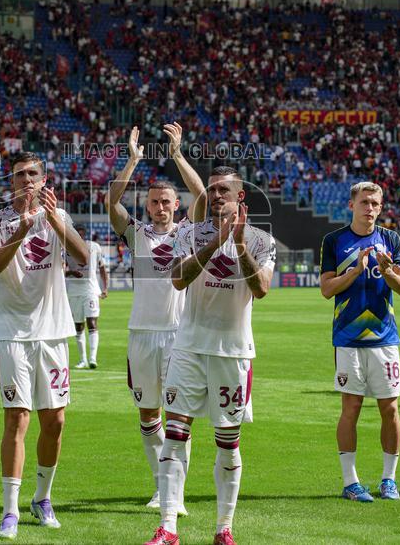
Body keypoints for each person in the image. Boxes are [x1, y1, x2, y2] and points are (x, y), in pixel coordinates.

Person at [144, 167, 274, 545]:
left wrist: (239, 246)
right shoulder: (187, 232)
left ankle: (223, 528)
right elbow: (179, 278)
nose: (216, 196)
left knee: (228, 440)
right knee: (175, 434)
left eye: (224, 190)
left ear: (240, 198)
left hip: (233, 352)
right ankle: (168, 526)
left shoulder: (262, 240)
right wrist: (215, 242)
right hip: (188, 347)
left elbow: (261, 289)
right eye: (212, 190)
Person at [0, 152, 90, 540]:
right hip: (11, 332)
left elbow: (83, 256)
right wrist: (20, 231)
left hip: (53, 333)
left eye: (32, 174)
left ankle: (42, 498)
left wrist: (54, 221)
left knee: (55, 421)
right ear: (10, 182)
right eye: (19, 175)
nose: (26, 180)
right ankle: (9, 512)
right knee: (16, 419)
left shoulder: (58, 216)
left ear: (44, 180)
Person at [107, 123, 206, 511]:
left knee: (179, 417)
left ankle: (174, 492)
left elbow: (201, 193)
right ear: (147, 205)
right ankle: (161, 485)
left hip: (180, 336)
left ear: (175, 205)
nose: (161, 207)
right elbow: (112, 203)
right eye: (154, 202)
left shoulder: (188, 232)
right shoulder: (137, 233)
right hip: (141, 335)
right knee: (149, 414)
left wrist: (178, 154)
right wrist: (132, 160)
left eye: (167, 201)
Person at [320, 181, 400, 503]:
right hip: (347, 337)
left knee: (390, 408)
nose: (369, 208)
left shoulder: (391, 239)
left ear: (381, 207)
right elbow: (327, 289)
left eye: (375, 203)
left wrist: (385, 270)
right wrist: (356, 271)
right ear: (351, 205)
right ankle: (350, 482)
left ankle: (389, 479)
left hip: (384, 339)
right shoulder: (334, 240)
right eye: (364, 202)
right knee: (351, 408)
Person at [65, 224, 108, 369]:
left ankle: (92, 358)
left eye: (81, 234)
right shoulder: (65, 249)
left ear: (84, 235)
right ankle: (82, 359)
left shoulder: (94, 247)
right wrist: (71, 273)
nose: (79, 237)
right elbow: (59, 271)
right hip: (74, 291)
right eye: (76, 234)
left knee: (92, 323)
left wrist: (105, 287)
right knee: (78, 326)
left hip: (90, 290)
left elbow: (102, 268)